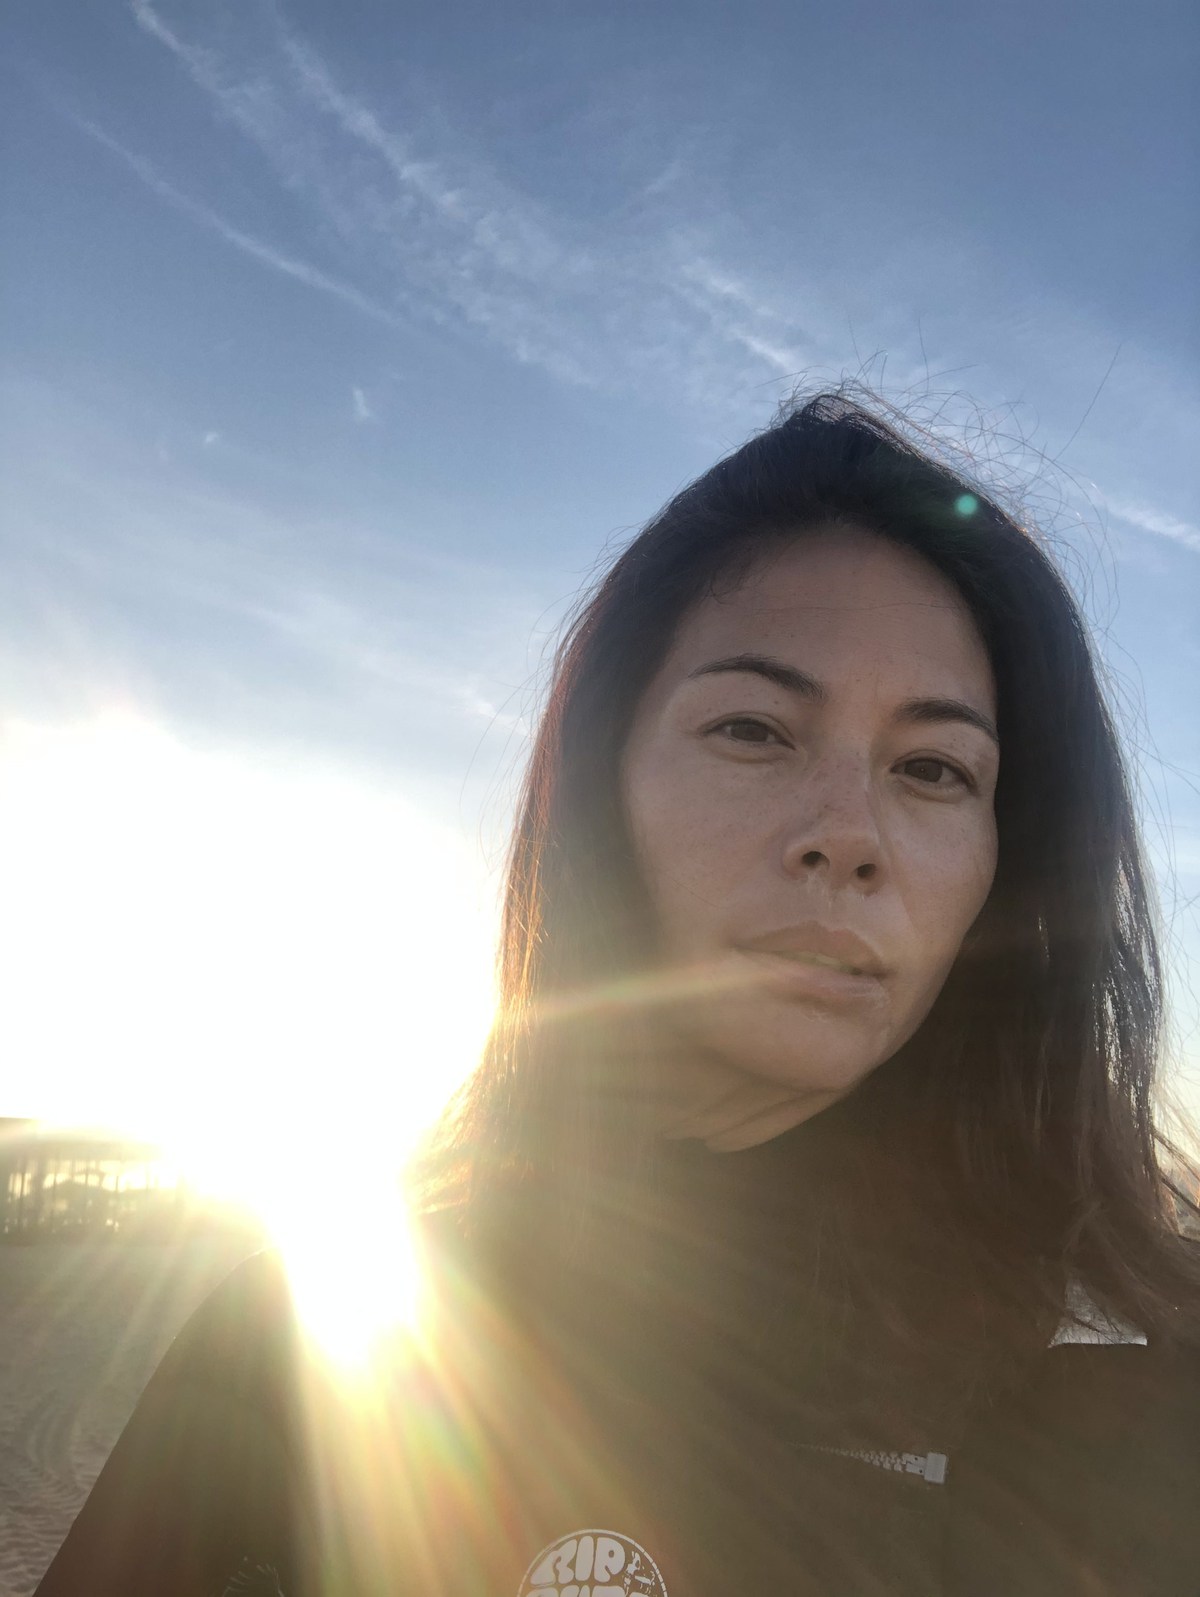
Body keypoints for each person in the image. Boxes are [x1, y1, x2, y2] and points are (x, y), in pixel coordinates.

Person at [36, 391, 1200, 1596]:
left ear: (1011, 865)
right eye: (753, 730)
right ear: (602, 792)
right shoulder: (327, 1333)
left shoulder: (1135, 1370)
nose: (847, 835)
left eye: (933, 768)